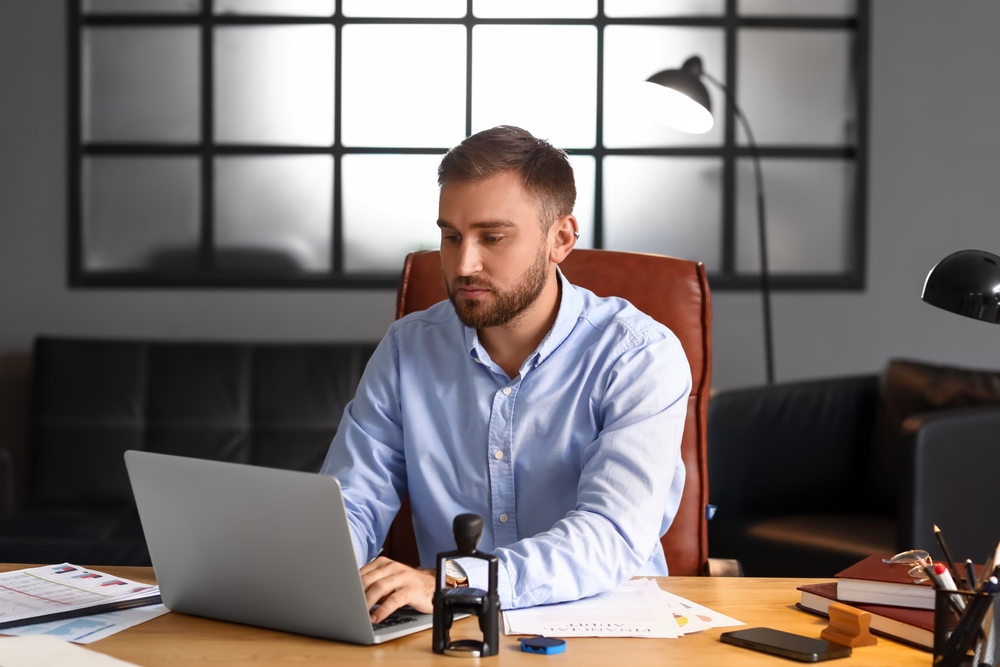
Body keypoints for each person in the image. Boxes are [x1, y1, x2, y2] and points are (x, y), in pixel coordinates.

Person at [320, 125, 691, 624]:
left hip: (603, 629)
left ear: (561, 238)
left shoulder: (640, 356)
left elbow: (610, 533)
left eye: (492, 237)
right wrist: (317, 569)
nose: (463, 263)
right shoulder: (408, 347)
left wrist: (454, 581)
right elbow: (354, 500)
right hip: (455, 632)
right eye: (451, 237)